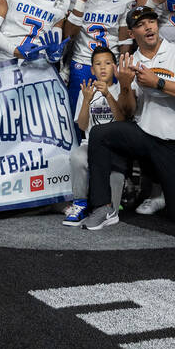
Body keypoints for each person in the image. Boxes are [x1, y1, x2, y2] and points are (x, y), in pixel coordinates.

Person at [83, 6, 175, 229]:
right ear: (131, 34)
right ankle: (102, 206)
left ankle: (164, 191)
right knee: (100, 133)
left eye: (151, 21)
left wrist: (158, 82)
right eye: (140, 24)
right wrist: (126, 85)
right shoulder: (129, 62)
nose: (148, 26)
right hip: (144, 136)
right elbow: (127, 113)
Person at [64, 0, 135, 111]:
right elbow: (68, 34)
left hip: (111, 62)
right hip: (82, 60)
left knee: (110, 111)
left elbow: (124, 35)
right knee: (78, 110)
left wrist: (122, 64)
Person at [62, 47, 126, 227]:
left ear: (114, 67)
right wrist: (87, 100)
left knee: (115, 179)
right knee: (77, 156)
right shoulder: (88, 91)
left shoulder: (121, 89)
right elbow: (82, 126)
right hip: (90, 144)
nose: (103, 68)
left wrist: (107, 94)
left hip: (115, 147)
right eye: (98, 64)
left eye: (107, 63)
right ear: (92, 70)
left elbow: (122, 120)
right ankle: (80, 203)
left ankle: (111, 208)